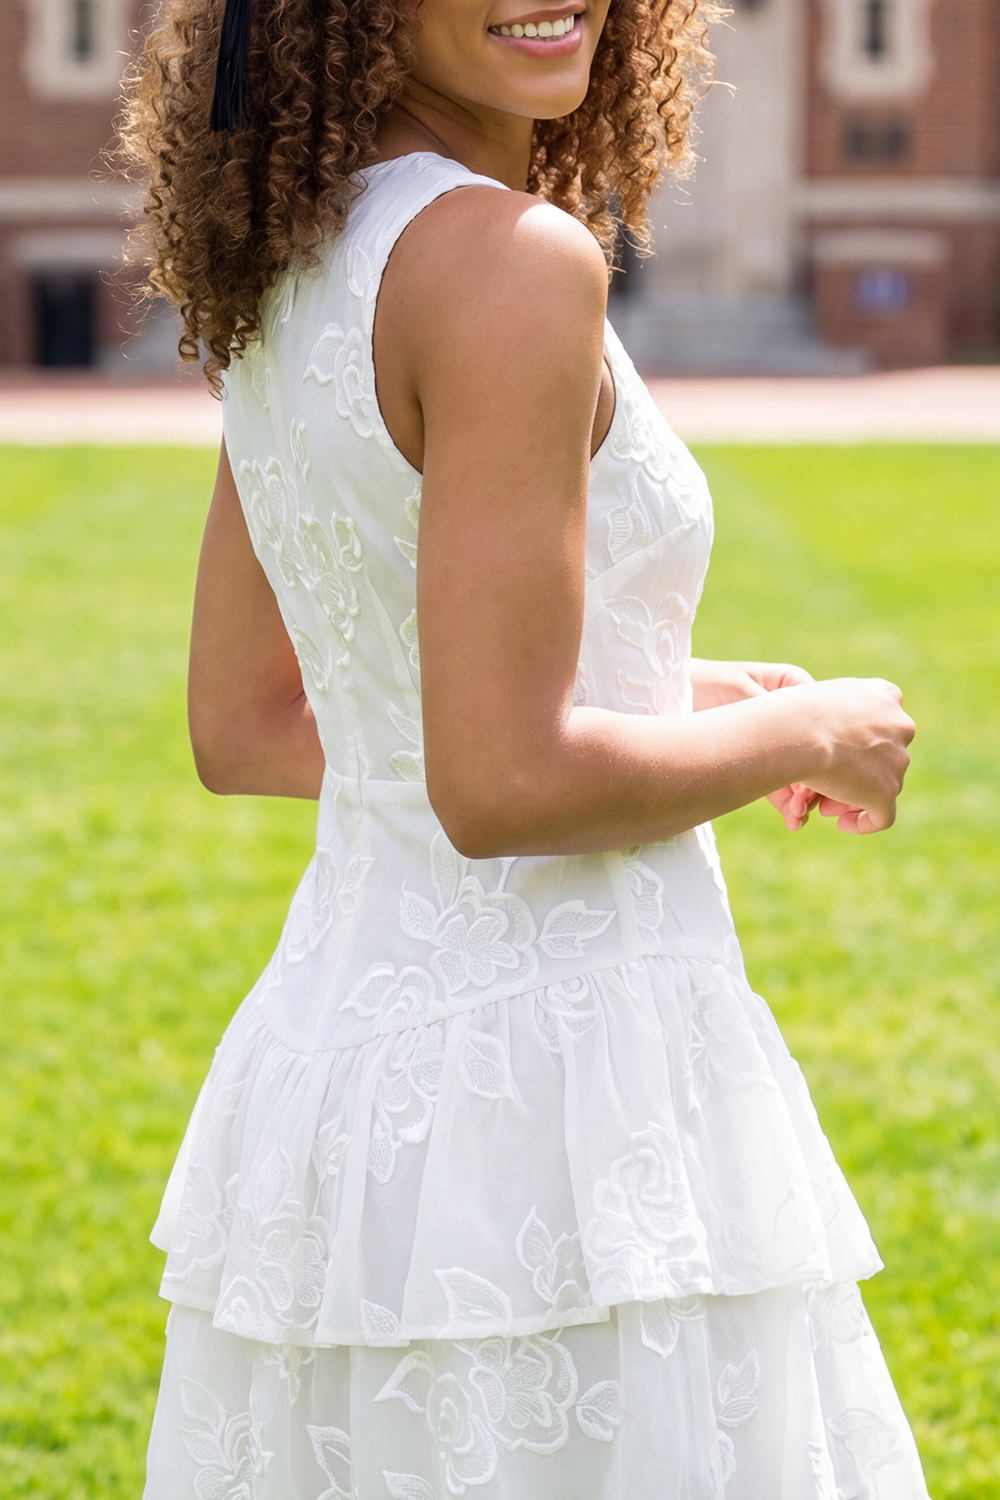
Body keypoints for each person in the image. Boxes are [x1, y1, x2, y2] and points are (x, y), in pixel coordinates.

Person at [122, 0, 927, 1490]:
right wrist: (807, 729)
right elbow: (497, 786)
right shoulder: (509, 263)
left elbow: (263, 722)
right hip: (558, 1099)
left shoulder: (301, 252)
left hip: (345, 1092)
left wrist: (673, 697)